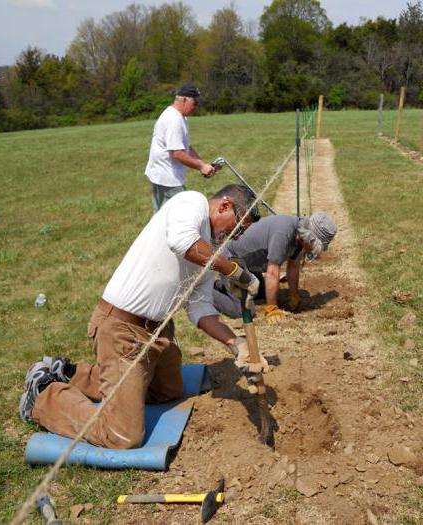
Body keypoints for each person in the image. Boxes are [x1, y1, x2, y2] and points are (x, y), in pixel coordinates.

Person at [19, 184, 268, 450]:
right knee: (123, 435)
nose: (237, 236)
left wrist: (237, 345)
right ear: (224, 206)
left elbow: (201, 309)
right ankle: (44, 395)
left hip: (158, 334)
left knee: (167, 393)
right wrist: (233, 271)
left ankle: (68, 373)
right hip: (122, 330)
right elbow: (181, 242)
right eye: (239, 227)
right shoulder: (191, 202)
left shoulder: (208, 254)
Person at [213, 212, 337, 323]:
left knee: (260, 292)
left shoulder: (299, 236)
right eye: (315, 245)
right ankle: (204, 293)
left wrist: (294, 294)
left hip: (249, 266)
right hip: (230, 261)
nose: (313, 250)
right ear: (309, 237)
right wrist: (272, 308)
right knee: (243, 311)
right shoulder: (284, 233)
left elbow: (293, 266)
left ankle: (220, 286)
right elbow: (272, 272)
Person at [144, 83, 218, 212]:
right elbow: (177, 153)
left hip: (163, 175)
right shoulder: (174, 119)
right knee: (180, 214)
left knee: (164, 215)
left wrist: (202, 163)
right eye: (195, 103)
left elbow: (185, 146)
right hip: (167, 179)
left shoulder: (181, 117)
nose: (196, 107)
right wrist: (201, 167)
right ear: (184, 100)